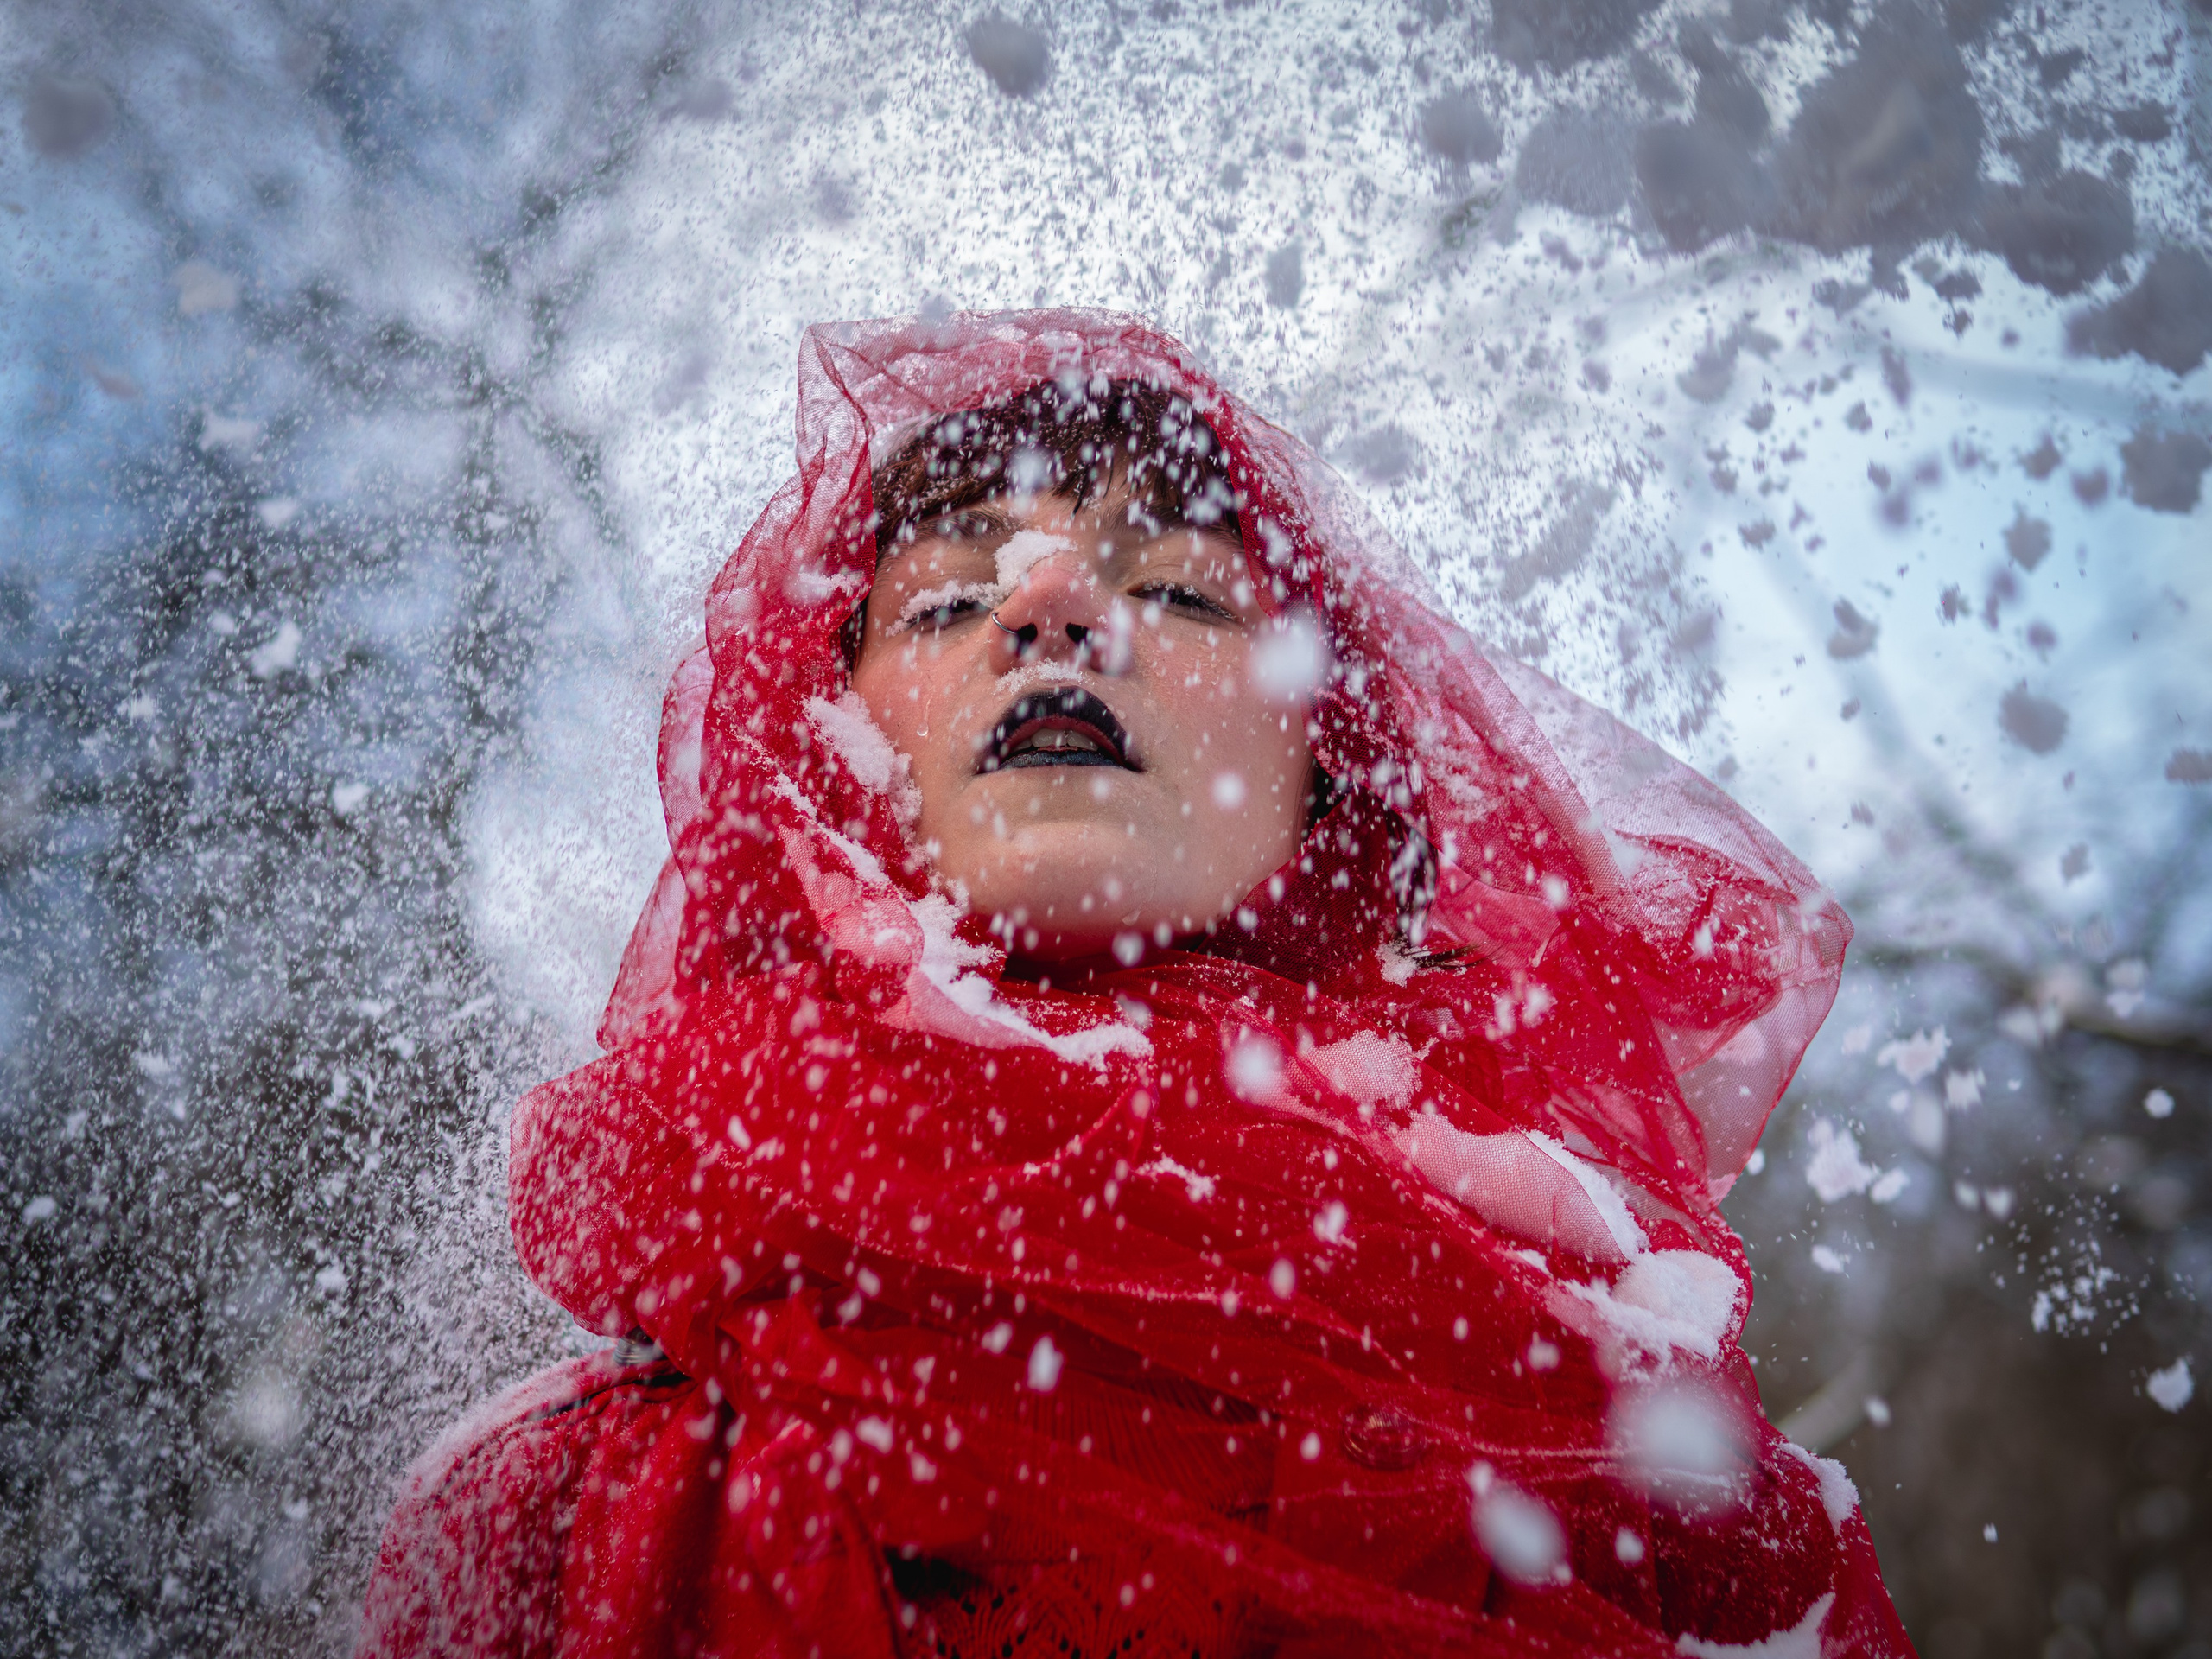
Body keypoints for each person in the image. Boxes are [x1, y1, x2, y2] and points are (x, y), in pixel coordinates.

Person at [359, 308, 1911, 1658]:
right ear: (823, 754)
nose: (1052, 609)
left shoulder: (1608, 1419)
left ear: (1333, 762)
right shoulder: (564, 1515)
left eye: (1176, 588)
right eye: (949, 599)